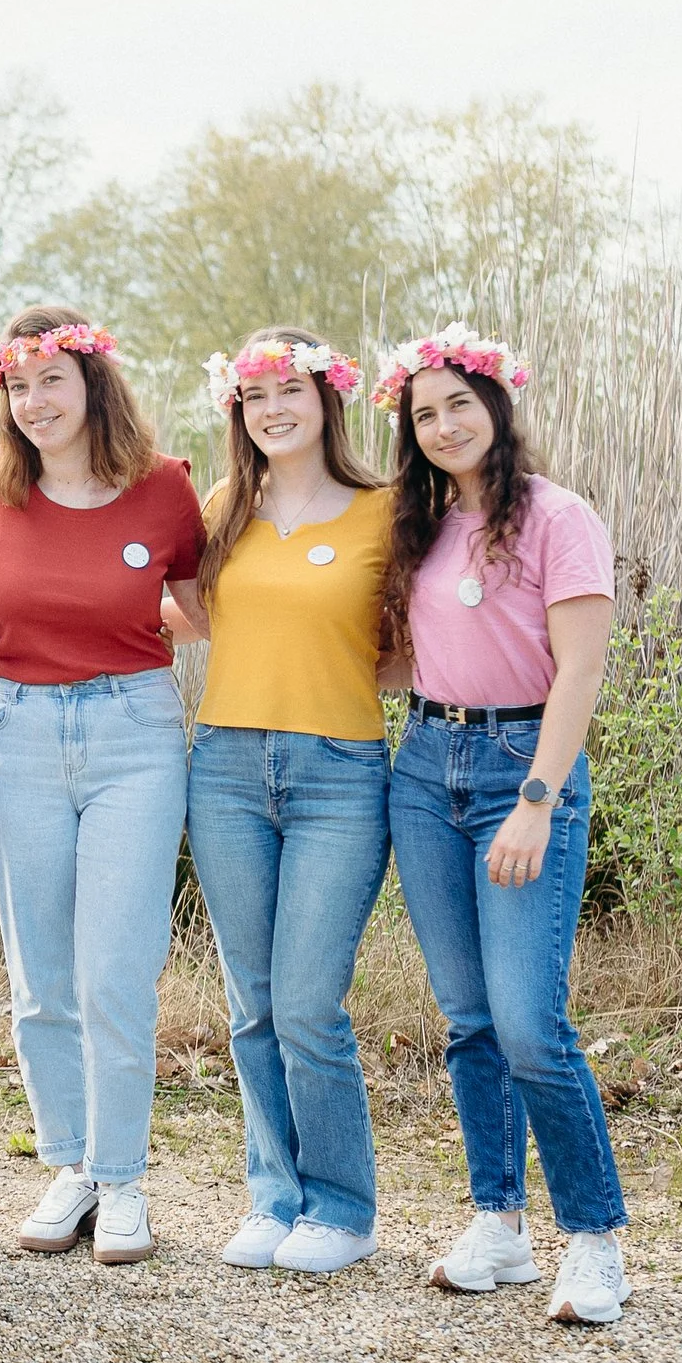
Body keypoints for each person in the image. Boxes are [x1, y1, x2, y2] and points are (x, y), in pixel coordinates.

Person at [372, 322, 631, 1325]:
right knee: (470, 1019)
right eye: (424, 413)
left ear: (496, 405)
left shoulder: (561, 517)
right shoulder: (423, 526)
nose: (443, 425)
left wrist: (535, 799)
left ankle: (595, 1242)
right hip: (423, 766)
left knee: (530, 1024)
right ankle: (499, 1223)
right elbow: (407, 659)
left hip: (522, 771)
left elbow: (582, 670)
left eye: (458, 405)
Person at [0, 305, 205, 1265]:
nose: (34, 401)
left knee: (115, 970)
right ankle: (69, 1165)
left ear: (92, 381)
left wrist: (126, 631)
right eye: (17, 386)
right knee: (41, 976)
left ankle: (122, 1176)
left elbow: (201, 610)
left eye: (51, 380)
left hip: (133, 733)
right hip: (19, 730)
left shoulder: (165, 488)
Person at [175, 329, 395, 1274]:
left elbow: (412, 641)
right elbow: (184, 613)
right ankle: (275, 1197)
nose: (273, 409)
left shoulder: (387, 509)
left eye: (289, 390)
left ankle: (342, 1208)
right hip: (224, 767)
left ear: (326, 398)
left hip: (339, 772)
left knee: (308, 1003)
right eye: (254, 395)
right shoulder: (225, 507)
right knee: (253, 1003)